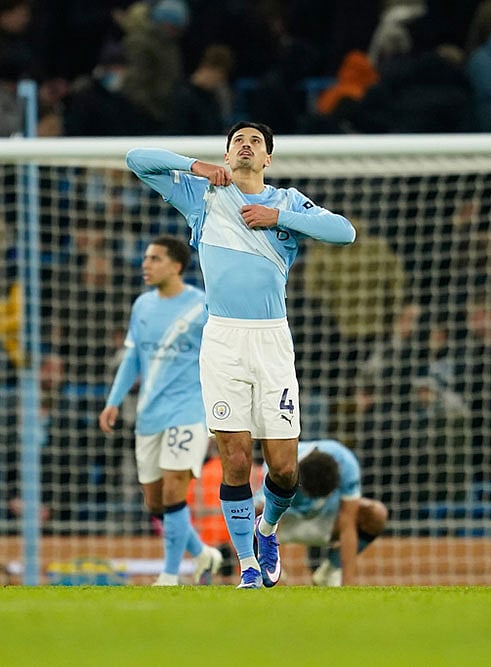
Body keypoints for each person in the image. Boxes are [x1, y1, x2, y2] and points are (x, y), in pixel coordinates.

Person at [125, 121, 357, 589]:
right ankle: (249, 567)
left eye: (255, 142)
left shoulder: (287, 202)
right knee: (234, 459)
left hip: (272, 341)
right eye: (237, 141)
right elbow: (137, 159)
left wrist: (279, 219)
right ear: (227, 154)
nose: (245, 146)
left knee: (285, 468)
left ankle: (267, 529)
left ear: (267, 158)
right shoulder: (203, 196)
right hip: (224, 341)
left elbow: (344, 232)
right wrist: (197, 166)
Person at [99, 236, 223, 586]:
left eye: (154, 258)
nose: (146, 264)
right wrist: (113, 400)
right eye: (145, 258)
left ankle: (170, 574)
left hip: (188, 409)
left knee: (173, 491)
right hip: (148, 414)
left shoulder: (202, 306)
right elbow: (133, 357)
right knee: (155, 502)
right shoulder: (142, 306)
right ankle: (202, 554)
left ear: (176, 266)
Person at [255, 439, 388, 586]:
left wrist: (347, 584)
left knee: (376, 513)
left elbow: (347, 523)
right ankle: (263, 569)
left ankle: (330, 572)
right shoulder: (281, 465)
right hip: (285, 519)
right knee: (256, 511)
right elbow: (270, 518)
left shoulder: (347, 464)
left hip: (328, 520)